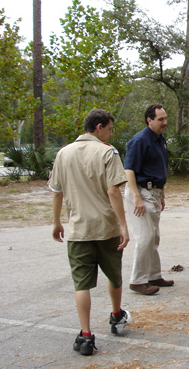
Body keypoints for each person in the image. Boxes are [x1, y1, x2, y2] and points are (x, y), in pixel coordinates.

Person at [49, 108, 132, 356]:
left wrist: (56, 222)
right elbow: (113, 191)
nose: (110, 133)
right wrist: (123, 225)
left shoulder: (63, 154)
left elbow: (57, 191)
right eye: (109, 128)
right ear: (98, 127)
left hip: (78, 229)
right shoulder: (108, 152)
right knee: (114, 275)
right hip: (106, 228)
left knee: (81, 284)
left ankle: (85, 335)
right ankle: (116, 315)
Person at [124, 104, 173, 295]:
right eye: (160, 119)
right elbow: (129, 170)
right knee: (144, 237)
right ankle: (137, 280)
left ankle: (153, 275)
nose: (165, 122)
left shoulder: (160, 139)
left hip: (154, 192)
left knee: (154, 236)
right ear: (149, 120)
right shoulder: (139, 141)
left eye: (165, 118)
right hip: (141, 192)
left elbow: (159, 168)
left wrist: (161, 193)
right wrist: (136, 197)